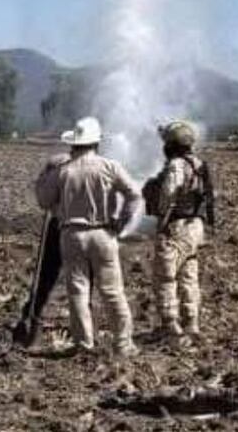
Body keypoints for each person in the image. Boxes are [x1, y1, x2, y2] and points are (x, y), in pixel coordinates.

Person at [35, 117, 143, 357]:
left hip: (71, 235)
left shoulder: (63, 170)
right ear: (96, 143)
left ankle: (84, 344)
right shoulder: (110, 166)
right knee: (113, 291)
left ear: (74, 143)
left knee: (78, 291)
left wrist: (45, 175)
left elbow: (43, 200)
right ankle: (123, 344)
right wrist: (121, 223)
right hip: (103, 234)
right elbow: (135, 195)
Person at [146, 121, 215, 345]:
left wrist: (161, 222)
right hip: (196, 227)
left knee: (165, 277)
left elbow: (168, 195)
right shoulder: (198, 164)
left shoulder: (176, 165)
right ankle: (192, 323)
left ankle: (171, 327)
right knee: (189, 276)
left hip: (177, 227)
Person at [12, 152, 70, 348]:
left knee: (45, 277)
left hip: (59, 224)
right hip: (84, 228)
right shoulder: (97, 165)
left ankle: (32, 321)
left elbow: (43, 199)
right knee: (83, 280)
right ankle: (85, 333)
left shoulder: (57, 162)